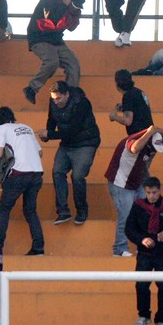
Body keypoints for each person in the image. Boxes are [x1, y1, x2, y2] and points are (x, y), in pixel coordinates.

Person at [37, 81, 101, 226]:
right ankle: (63, 210)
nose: (56, 102)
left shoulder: (82, 103)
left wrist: (51, 134)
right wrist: (47, 134)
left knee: (77, 176)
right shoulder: (53, 102)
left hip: (86, 142)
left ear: (67, 94)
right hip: (67, 143)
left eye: (58, 98)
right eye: (53, 99)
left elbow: (73, 130)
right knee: (57, 171)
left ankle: (82, 210)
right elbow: (51, 120)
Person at [105, 125, 163, 257]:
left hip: (137, 183)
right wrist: (148, 133)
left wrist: (157, 129)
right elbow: (135, 148)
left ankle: (143, 246)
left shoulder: (148, 144)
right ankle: (119, 249)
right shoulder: (133, 143)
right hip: (120, 184)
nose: (153, 152)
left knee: (146, 212)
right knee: (126, 215)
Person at [125, 176, 163, 325]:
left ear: (160, 190)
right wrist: (141, 240)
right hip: (145, 253)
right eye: (148, 192)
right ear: (144, 191)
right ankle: (143, 315)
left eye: (154, 192)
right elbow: (129, 229)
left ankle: (161, 318)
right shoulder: (138, 206)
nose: (151, 196)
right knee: (141, 284)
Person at [0, 106, 45, 255]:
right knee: (30, 211)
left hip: (18, 173)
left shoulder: (2, 129)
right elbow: (40, 152)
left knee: (3, 208)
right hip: (36, 173)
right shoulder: (27, 127)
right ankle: (38, 247)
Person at [23, 0, 86, 105]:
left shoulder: (71, 9)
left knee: (73, 63)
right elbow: (51, 20)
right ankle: (32, 88)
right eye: (75, 5)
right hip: (39, 37)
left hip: (55, 39)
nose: (75, 8)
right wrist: (64, 5)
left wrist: (75, 16)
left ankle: (69, 96)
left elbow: (71, 28)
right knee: (52, 61)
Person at [110, 69, 154, 135]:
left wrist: (114, 116)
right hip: (149, 133)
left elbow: (128, 121)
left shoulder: (127, 96)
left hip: (140, 136)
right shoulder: (138, 92)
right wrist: (125, 106)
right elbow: (139, 109)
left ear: (117, 83)